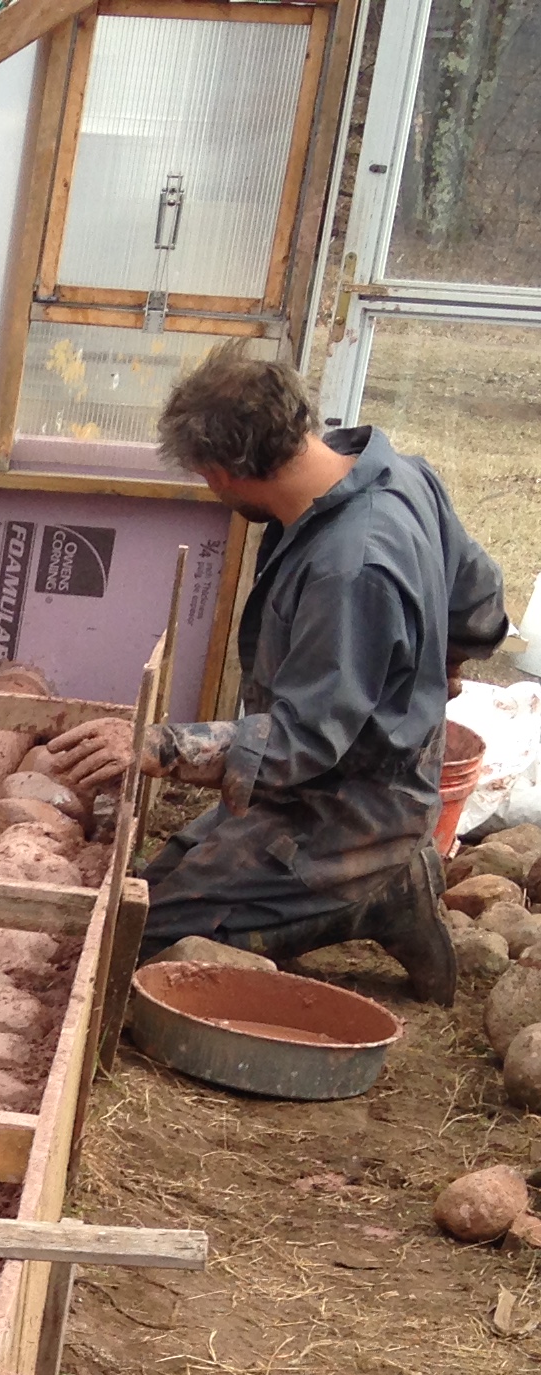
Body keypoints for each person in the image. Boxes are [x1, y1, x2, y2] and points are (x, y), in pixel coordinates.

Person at [47, 346, 508, 1001]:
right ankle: (369, 876)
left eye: (206, 476)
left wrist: (156, 746)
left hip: (348, 812)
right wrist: (433, 665)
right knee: (143, 888)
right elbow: (481, 602)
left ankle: (378, 884)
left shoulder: (350, 569)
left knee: (126, 946)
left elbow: (302, 739)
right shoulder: (395, 473)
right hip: (324, 782)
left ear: (226, 471)